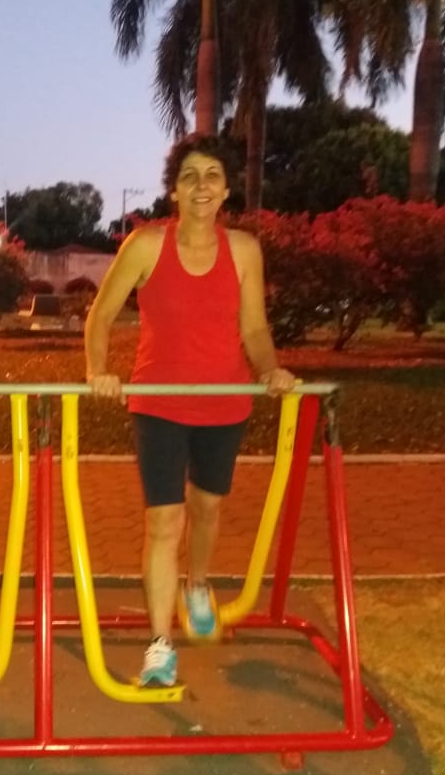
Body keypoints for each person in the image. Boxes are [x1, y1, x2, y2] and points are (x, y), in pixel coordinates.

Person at [85, 134, 294, 687]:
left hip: (224, 401)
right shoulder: (146, 245)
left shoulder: (244, 250)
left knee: (206, 508)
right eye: (189, 176)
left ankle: (197, 584)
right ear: (174, 191)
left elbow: (254, 328)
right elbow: (101, 315)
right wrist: (97, 369)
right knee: (163, 521)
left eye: (212, 176)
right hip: (159, 401)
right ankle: (160, 644)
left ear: (225, 191)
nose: (201, 186)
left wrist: (270, 369)